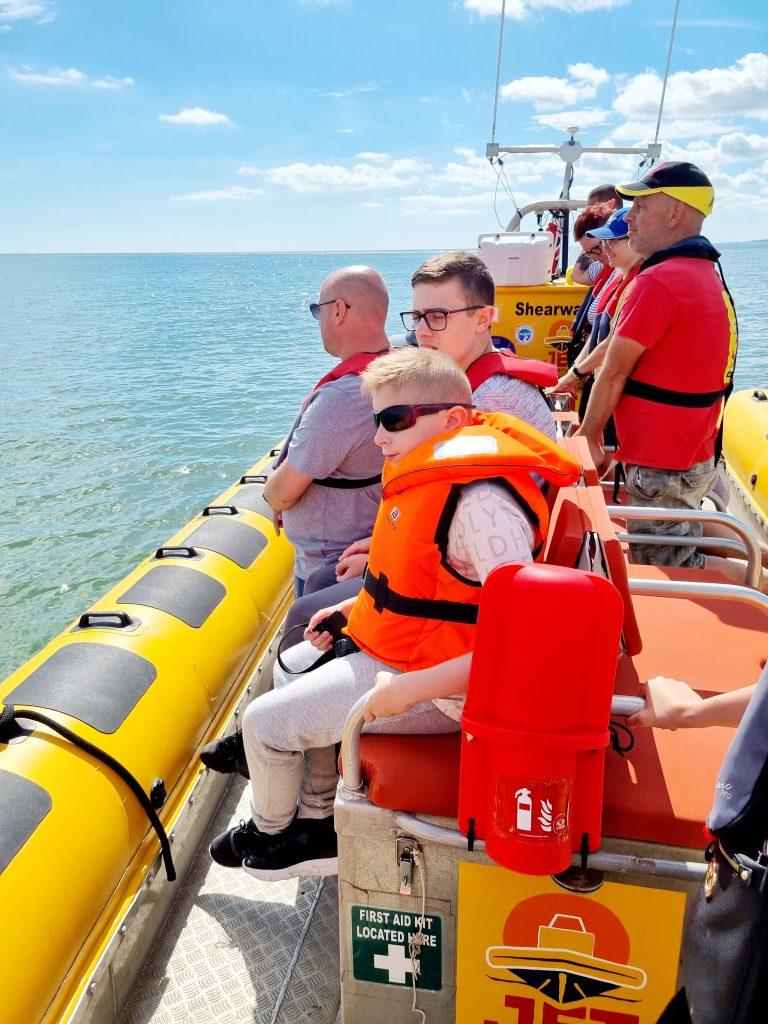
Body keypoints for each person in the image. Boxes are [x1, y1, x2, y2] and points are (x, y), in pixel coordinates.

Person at [207, 347, 581, 879]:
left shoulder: (480, 506)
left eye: (393, 421)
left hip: (445, 693)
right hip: (412, 653)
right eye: (374, 420)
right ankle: (315, 822)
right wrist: (352, 606)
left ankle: (271, 832)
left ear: (453, 420)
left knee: (262, 721)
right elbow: (427, 589)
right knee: (295, 663)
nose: (379, 436)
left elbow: (519, 648)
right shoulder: (429, 477)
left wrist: (405, 692)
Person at [575, 161, 738, 570]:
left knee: (670, 569)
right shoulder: (700, 271)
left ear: (675, 212)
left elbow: (614, 369)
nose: (629, 217)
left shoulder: (658, 281)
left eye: (641, 207)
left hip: (663, 464)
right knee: (684, 550)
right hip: (691, 452)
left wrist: (589, 436)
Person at [263, 266, 390, 596]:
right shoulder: (398, 375)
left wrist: (273, 493)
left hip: (331, 564)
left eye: (318, 310)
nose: (318, 320)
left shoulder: (345, 398)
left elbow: (283, 492)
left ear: (338, 310)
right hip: (370, 548)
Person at [548, 209, 642, 425]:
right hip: (597, 376)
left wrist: (574, 374)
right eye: (603, 243)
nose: (605, 251)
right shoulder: (616, 275)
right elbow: (597, 337)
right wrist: (574, 373)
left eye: (610, 242)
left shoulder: (638, 284)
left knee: (598, 445)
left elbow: (611, 343)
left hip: (615, 387)